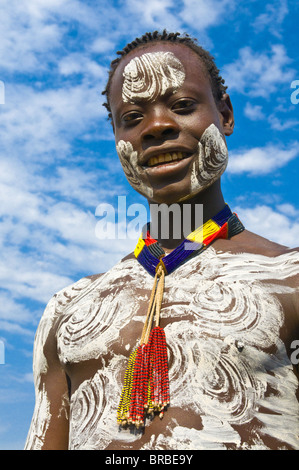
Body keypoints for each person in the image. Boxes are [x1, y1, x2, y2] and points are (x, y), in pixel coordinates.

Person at [25, 30, 299, 450]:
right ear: (118, 141)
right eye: (132, 118)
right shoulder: (69, 309)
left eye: (183, 106)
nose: (157, 126)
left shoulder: (290, 278)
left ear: (225, 115)